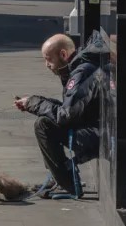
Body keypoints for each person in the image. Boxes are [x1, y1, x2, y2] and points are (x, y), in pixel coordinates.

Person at [15, 33, 104, 198]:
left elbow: (65, 116)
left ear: (63, 54)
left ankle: (68, 183)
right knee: (46, 119)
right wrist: (35, 103)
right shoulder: (79, 68)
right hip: (97, 127)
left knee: (44, 125)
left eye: (49, 59)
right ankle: (59, 178)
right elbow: (70, 110)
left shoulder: (81, 72)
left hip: (102, 134)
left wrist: (35, 103)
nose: (47, 65)